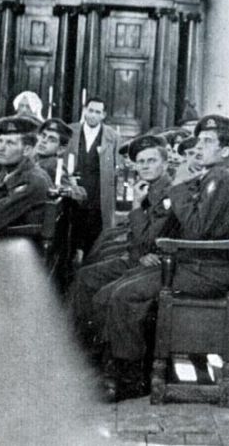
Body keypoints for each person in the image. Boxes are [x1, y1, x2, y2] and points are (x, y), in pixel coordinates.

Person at [94, 114, 229, 401]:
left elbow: (197, 229)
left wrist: (179, 185)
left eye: (207, 142)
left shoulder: (222, 180)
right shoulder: (216, 176)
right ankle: (122, 368)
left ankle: (132, 381)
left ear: (226, 151)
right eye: (199, 140)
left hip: (207, 270)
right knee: (115, 288)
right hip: (196, 265)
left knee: (123, 295)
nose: (200, 146)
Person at [69, 134, 174, 354]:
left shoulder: (167, 194)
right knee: (86, 276)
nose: (145, 166)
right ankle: (86, 348)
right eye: (141, 161)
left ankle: (93, 352)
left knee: (96, 287)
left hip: (151, 263)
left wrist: (136, 205)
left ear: (165, 164)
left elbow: (148, 238)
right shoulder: (149, 188)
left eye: (152, 161)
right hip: (139, 257)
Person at [66, 96, 119, 261]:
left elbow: (115, 166)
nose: (93, 115)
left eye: (97, 112)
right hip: (73, 189)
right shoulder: (71, 131)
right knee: (72, 230)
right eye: (90, 110)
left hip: (98, 191)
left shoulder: (112, 136)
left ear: (103, 115)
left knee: (94, 232)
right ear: (84, 111)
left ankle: (88, 264)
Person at [0, 116, 52, 232]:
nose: (1, 148)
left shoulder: (32, 180)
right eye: (0, 141)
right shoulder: (10, 172)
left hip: (15, 244)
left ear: (26, 150)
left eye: (10, 143)